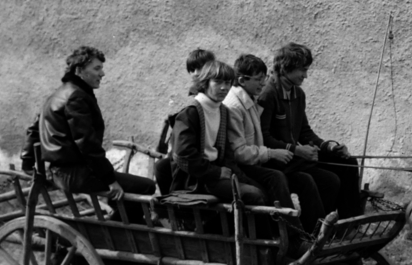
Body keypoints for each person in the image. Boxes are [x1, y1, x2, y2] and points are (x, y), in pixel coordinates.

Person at [258, 41, 364, 221]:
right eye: (303, 70)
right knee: (330, 181)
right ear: (286, 68)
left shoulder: (298, 94)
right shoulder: (268, 94)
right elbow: (263, 138)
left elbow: (305, 132)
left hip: (297, 156)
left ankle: (349, 223)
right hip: (280, 160)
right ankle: (316, 229)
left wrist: (328, 147)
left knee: (348, 163)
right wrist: (297, 150)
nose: (306, 76)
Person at [38, 45, 157, 201]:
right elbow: (87, 145)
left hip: (61, 172)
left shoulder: (60, 93)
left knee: (130, 182)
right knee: (147, 186)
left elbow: (34, 128)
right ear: (79, 70)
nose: (102, 73)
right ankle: (120, 223)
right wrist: (110, 180)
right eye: (97, 68)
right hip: (75, 175)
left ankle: (119, 219)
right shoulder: (76, 97)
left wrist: (27, 163)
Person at [168, 58, 263, 203]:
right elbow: (184, 155)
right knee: (254, 194)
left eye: (227, 83)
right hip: (195, 180)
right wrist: (216, 172)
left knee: (261, 188)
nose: (224, 88)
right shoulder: (190, 114)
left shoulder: (222, 110)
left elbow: (227, 153)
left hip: (217, 174)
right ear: (205, 83)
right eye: (218, 82)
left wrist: (239, 176)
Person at [222, 53, 300, 218]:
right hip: (241, 166)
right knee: (276, 177)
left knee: (302, 177)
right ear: (242, 80)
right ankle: (293, 235)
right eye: (258, 79)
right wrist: (271, 153)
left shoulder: (250, 99)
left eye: (264, 78)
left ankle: (310, 228)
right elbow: (239, 153)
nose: (263, 83)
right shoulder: (234, 106)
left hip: (255, 160)